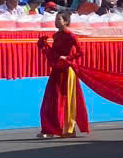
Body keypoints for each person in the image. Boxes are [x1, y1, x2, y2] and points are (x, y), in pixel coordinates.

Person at [37, 10, 89, 139]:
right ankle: (51, 128)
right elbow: (54, 53)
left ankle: (66, 128)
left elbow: (81, 52)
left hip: (67, 69)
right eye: (55, 19)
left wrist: (68, 57)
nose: (56, 21)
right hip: (57, 69)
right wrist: (45, 46)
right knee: (51, 98)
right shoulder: (56, 36)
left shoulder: (71, 35)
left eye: (58, 19)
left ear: (65, 21)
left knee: (64, 99)